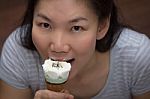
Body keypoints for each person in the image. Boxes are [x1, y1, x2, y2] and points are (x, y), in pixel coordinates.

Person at [0, 0, 150, 99]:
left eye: (76, 28)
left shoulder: (137, 56)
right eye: (45, 25)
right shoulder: (18, 52)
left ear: (101, 26)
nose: (58, 46)